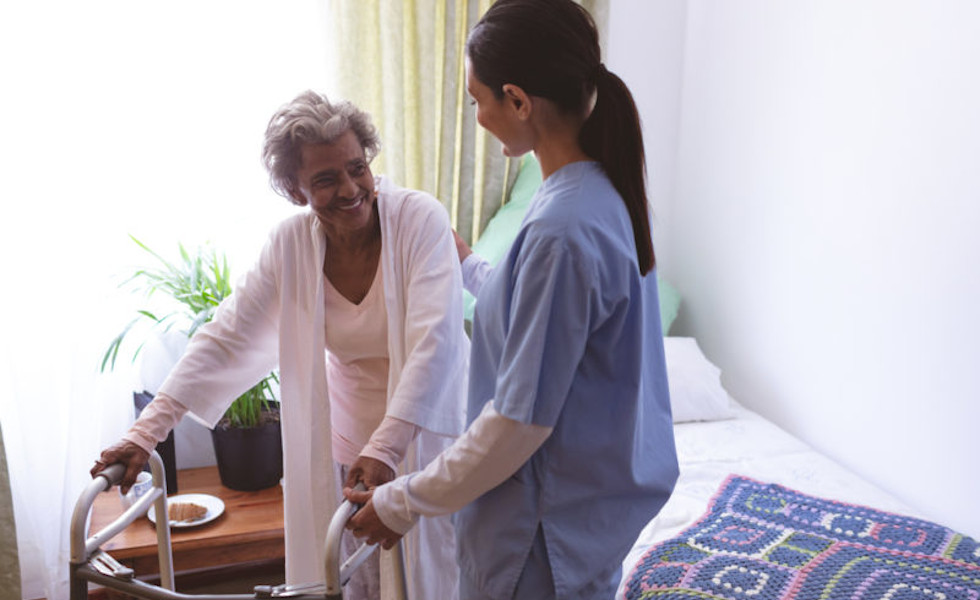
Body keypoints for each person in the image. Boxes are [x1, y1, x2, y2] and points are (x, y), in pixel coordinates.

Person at [345, 0, 680, 598]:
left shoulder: (561, 230)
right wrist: (469, 264)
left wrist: (403, 501)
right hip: (580, 523)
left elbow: (517, 424)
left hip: (539, 534)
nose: (477, 116)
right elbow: (542, 312)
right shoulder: (600, 196)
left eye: (479, 100)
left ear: (519, 101)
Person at [92, 91, 468, 600]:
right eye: (326, 179)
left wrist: (386, 446)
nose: (351, 188)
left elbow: (435, 343)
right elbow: (226, 336)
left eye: (357, 167)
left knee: (437, 578)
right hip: (349, 447)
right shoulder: (290, 245)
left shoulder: (419, 219)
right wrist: (144, 433)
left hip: (430, 441)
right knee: (354, 581)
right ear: (296, 191)